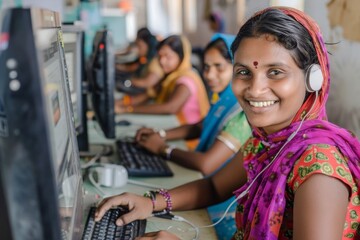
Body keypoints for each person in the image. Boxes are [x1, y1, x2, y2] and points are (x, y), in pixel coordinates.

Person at [95, 7, 360, 240]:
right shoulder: (267, 142)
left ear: (314, 79)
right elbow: (214, 187)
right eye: (244, 72)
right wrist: (151, 202)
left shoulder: (319, 170)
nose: (255, 90)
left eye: (275, 72)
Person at [134, 33, 251, 175]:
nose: (209, 75)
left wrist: (162, 148)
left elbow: (206, 165)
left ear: (238, 68)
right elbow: (199, 127)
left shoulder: (241, 111)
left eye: (219, 67)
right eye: (207, 67)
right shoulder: (224, 100)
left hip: (222, 192)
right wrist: (160, 134)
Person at [116, 35, 210, 126]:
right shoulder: (168, 77)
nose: (162, 61)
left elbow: (170, 108)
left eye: (168, 57)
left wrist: (127, 109)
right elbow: (147, 96)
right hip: (174, 123)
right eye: (160, 56)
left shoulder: (186, 80)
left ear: (181, 58)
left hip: (188, 136)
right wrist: (120, 103)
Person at [115, 27, 164, 92]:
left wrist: (129, 81)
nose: (137, 49)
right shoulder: (144, 58)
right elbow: (132, 66)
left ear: (148, 46)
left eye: (140, 46)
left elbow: (146, 82)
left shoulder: (155, 62)